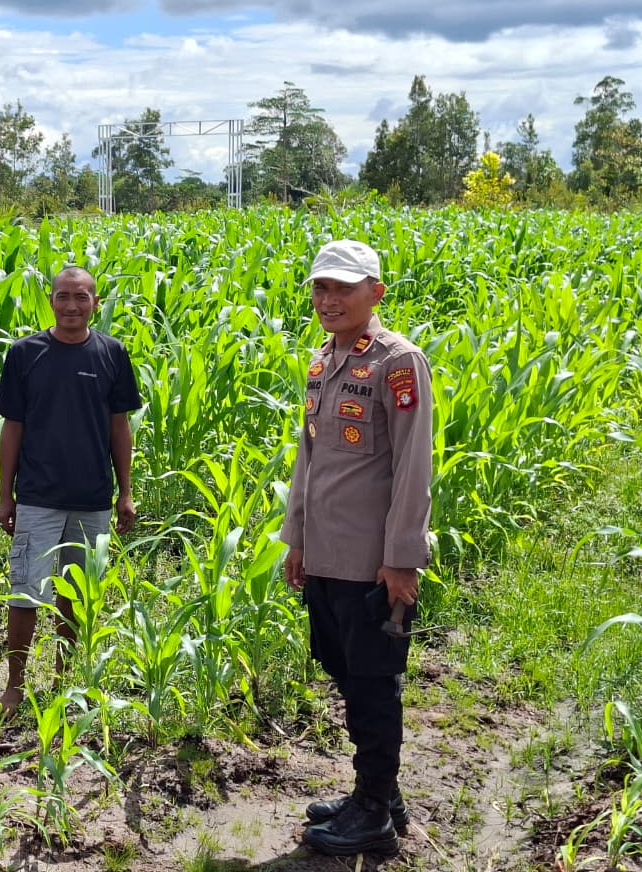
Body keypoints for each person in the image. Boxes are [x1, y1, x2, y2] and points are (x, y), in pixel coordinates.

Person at [281, 239, 433, 856]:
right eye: (321, 287)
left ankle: (374, 811)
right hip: (326, 553)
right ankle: (379, 790)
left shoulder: (398, 363)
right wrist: (297, 541)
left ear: (376, 292)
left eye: (343, 287)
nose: (329, 299)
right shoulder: (324, 361)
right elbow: (309, 459)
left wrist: (400, 558)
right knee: (343, 667)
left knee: (372, 682)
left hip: (372, 560)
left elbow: (413, 466)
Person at [0, 266, 143, 717]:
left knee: (74, 596)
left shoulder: (112, 354)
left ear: (96, 302)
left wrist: (125, 492)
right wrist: (6, 495)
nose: (72, 305)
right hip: (37, 495)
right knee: (25, 592)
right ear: (50, 300)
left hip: (92, 497)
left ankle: (64, 683)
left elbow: (121, 428)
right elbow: (12, 429)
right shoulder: (25, 354)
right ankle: (14, 687)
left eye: (81, 297)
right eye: (63, 296)